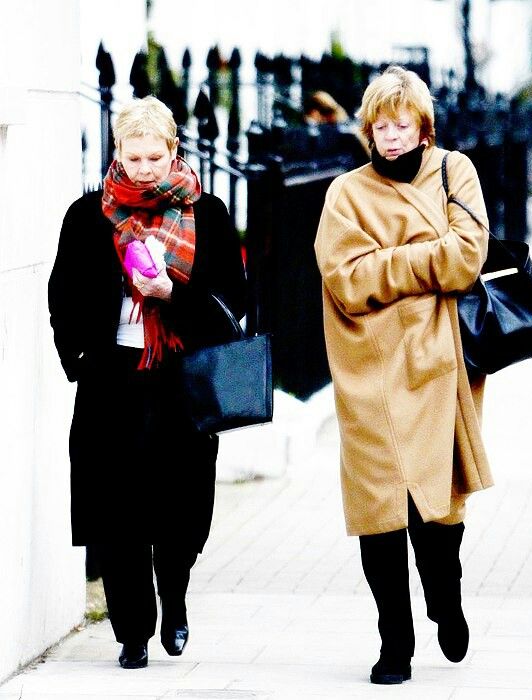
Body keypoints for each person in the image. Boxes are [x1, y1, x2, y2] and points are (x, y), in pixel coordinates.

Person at [48, 95, 247, 669]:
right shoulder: (88, 216)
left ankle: (175, 599)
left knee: (179, 507)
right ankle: (132, 630)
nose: (143, 170)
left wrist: (171, 297)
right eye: (132, 159)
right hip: (112, 377)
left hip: (181, 379)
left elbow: (234, 303)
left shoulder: (206, 216)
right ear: (117, 153)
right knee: (116, 508)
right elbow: (61, 294)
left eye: (154, 158)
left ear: (173, 151)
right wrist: (79, 356)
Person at [314, 66, 493, 685]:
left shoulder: (454, 171)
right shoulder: (345, 193)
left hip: (439, 365)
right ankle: (396, 642)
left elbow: (467, 256)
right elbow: (345, 278)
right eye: (380, 125)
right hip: (367, 369)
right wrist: (425, 265)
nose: (390, 137)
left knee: (438, 509)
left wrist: (389, 266)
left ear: (423, 126)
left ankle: (446, 597)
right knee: (379, 510)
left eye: (401, 124)